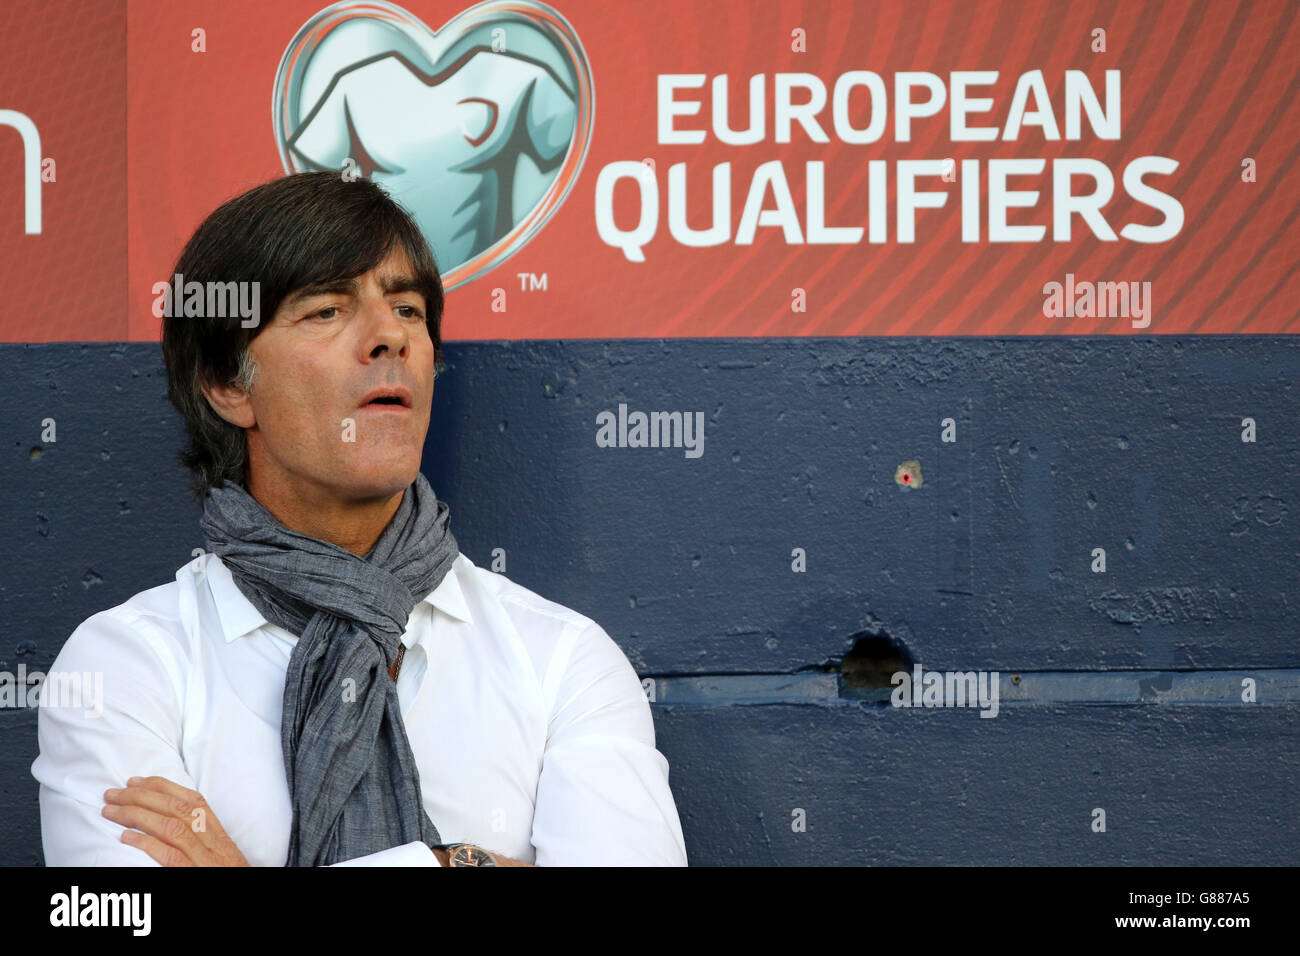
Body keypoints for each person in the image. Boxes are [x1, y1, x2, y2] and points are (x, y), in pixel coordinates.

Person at [30, 171, 688, 867]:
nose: (390, 338)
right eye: (326, 311)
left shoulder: (561, 662)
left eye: (408, 310)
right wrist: (462, 863)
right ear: (227, 386)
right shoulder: (126, 668)